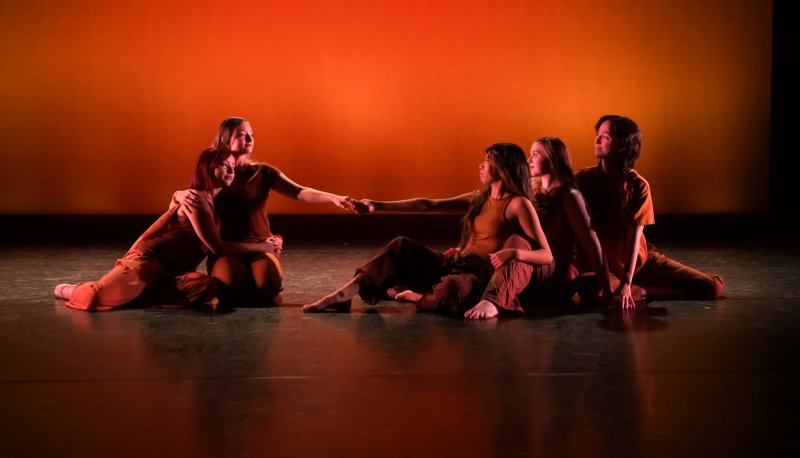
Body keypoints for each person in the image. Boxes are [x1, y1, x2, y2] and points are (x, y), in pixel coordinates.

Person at [302, 143, 553, 320]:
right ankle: (348, 292)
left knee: (451, 289)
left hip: (476, 276)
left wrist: (513, 254)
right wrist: (379, 206)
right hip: (453, 264)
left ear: (504, 167)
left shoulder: (518, 204)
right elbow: (429, 204)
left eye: (488, 161)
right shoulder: (482, 197)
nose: (481, 165)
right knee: (401, 246)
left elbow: (546, 254)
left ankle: (418, 297)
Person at [53, 148, 279, 311]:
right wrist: (261, 247)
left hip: (173, 273)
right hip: (148, 264)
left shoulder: (217, 207)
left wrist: (270, 240)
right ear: (209, 168)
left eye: (232, 166)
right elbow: (217, 246)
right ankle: (71, 290)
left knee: (207, 287)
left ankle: (131, 297)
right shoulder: (195, 198)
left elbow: (243, 228)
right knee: (94, 298)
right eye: (224, 165)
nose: (231, 170)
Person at [183, 117, 358, 306]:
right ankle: (238, 275)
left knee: (267, 286)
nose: (250, 139)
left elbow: (299, 191)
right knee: (230, 288)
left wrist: (333, 198)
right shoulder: (215, 171)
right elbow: (194, 195)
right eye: (242, 135)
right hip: (227, 248)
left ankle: (254, 273)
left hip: (260, 245)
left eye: (252, 135)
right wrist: (179, 195)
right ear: (225, 140)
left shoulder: (262, 172)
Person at [575, 114, 725, 309]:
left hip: (640, 265)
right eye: (598, 134)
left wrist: (628, 282)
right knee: (593, 289)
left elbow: (634, 236)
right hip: (601, 269)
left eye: (606, 137)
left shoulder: (638, 186)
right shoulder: (582, 180)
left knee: (712, 287)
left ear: (623, 145)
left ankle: (643, 291)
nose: (597, 140)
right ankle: (630, 290)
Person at [523, 136, 613, 306]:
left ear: (554, 159)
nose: (529, 160)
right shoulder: (531, 188)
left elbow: (593, 245)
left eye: (535, 154)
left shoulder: (569, 197)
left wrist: (607, 291)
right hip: (532, 262)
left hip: (555, 275)